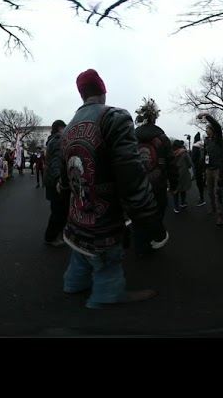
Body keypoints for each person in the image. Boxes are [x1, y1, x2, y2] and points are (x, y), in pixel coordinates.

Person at [59, 69, 167, 309]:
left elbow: (64, 178)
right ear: (103, 91)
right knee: (107, 262)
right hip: (104, 220)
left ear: (82, 95)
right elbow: (132, 176)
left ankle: (73, 284)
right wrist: (151, 219)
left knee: (80, 254)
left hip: (77, 215)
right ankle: (107, 295)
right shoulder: (114, 117)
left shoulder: (67, 129)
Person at [132, 97, 178, 256]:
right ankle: (153, 239)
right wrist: (174, 183)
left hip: (137, 185)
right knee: (157, 213)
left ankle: (139, 245)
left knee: (137, 216)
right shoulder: (163, 138)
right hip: (158, 186)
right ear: (154, 117)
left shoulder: (132, 137)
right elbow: (171, 163)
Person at [198, 111, 223, 226]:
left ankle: (220, 215)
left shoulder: (218, 138)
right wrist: (204, 169)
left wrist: (207, 116)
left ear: (213, 130)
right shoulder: (207, 141)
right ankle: (213, 208)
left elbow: (218, 126)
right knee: (209, 191)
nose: (206, 130)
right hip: (208, 169)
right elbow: (205, 156)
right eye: (206, 129)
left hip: (217, 169)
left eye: (208, 128)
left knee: (217, 192)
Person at [43, 119, 68, 247]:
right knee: (59, 211)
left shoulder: (52, 140)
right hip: (55, 182)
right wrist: (59, 178)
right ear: (60, 129)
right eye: (65, 128)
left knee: (58, 210)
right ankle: (51, 237)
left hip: (50, 180)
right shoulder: (58, 141)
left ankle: (58, 234)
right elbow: (57, 162)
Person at [171, 139, 193, 213]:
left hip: (173, 174)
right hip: (183, 174)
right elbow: (190, 164)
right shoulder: (184, 153)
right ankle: (182, 203)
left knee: (175, 190)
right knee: (183, 188)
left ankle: (176, 207)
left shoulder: (170, 153)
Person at [191, 132, 206, 207]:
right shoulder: (203, 145)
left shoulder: (195, 146)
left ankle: (202, 197)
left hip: (197, 166)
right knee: (203, 181)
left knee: (199, 182)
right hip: (204, 166)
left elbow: (193, 158)